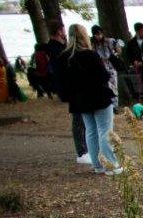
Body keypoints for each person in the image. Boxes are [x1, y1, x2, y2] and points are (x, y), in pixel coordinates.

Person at [61, 24, 122, 176]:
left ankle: (98, 165)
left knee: (91, 131)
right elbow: (103, 75)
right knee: (105, 130)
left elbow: (64, 82)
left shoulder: (65, 57)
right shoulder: (90, 55)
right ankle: (111, 164)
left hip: (80, 99)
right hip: (98, 96)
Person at [47, 19, 90, 164]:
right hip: (72, 89)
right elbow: (62, 72)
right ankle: (82, 151)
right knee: (79, 119)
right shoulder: (57, 50)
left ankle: (85, 149)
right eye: (62, 30)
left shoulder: (59, 48)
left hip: (73, 88)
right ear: (59, 31)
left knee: (82, 119)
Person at [91, 25, 122, 107]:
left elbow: (119, 49)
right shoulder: (93, 45)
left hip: (111, 67)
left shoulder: (110, 41)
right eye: (96, 34)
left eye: (100, 33)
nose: (99, 36)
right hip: (101, 68)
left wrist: (114, 55)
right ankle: (108, 104)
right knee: (104, 86)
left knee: (114, 86)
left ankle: (115, 105)